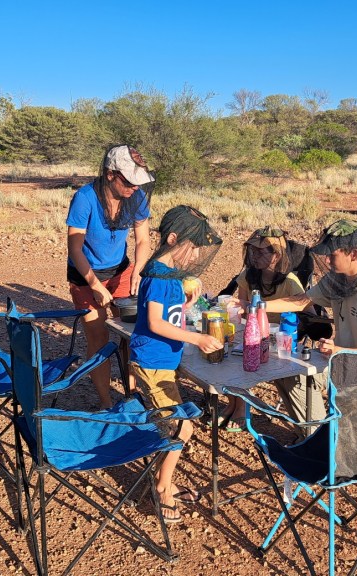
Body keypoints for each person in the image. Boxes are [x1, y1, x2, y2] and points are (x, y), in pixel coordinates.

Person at [257, 219, 357, 434]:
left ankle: (320, 439)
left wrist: (339, 350)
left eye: (332, 255)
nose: (326, 260)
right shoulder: (338, 280)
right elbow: (301, 301)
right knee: (283, 368)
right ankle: (311, 435)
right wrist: (256, 306)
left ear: (353, 254)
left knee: (298, 377)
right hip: (339, 360)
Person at [130, 205, 223, 523]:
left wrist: (186, 305)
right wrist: (196, 339)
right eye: (192, 246)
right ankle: (162, 488)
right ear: (172, 239)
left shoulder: (170, 277)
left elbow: (167, 314)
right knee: (182, 428)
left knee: (173, 425)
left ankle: (164, 481)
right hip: (152, 363)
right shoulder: (158, 277)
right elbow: (155, 323)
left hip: (163, 362)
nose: (195, 255)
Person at [66, 145, 152, 409]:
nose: (134, 187)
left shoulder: (136, 196)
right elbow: (75, 249)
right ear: (111, 174)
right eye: (129, 181)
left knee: (129, 333)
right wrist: (95, 285)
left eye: (138, 182)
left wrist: (138, 270)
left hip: (120, 269)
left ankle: (131, 395)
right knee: (99, 336)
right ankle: (105, 402)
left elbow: (143, 240)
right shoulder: (84, 198)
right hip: (86, 274)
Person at [219, 226, 305, 431]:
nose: (254, 256)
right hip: (250, 330)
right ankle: (234, 402)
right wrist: (238, 307)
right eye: (253, 251)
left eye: (260, 252)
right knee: (227, 353)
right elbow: (242, 309)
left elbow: (306, 313)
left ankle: (242, 406)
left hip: (278, 339)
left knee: (245, 356)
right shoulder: (248, 276)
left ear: (276, 256)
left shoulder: (290, 282)